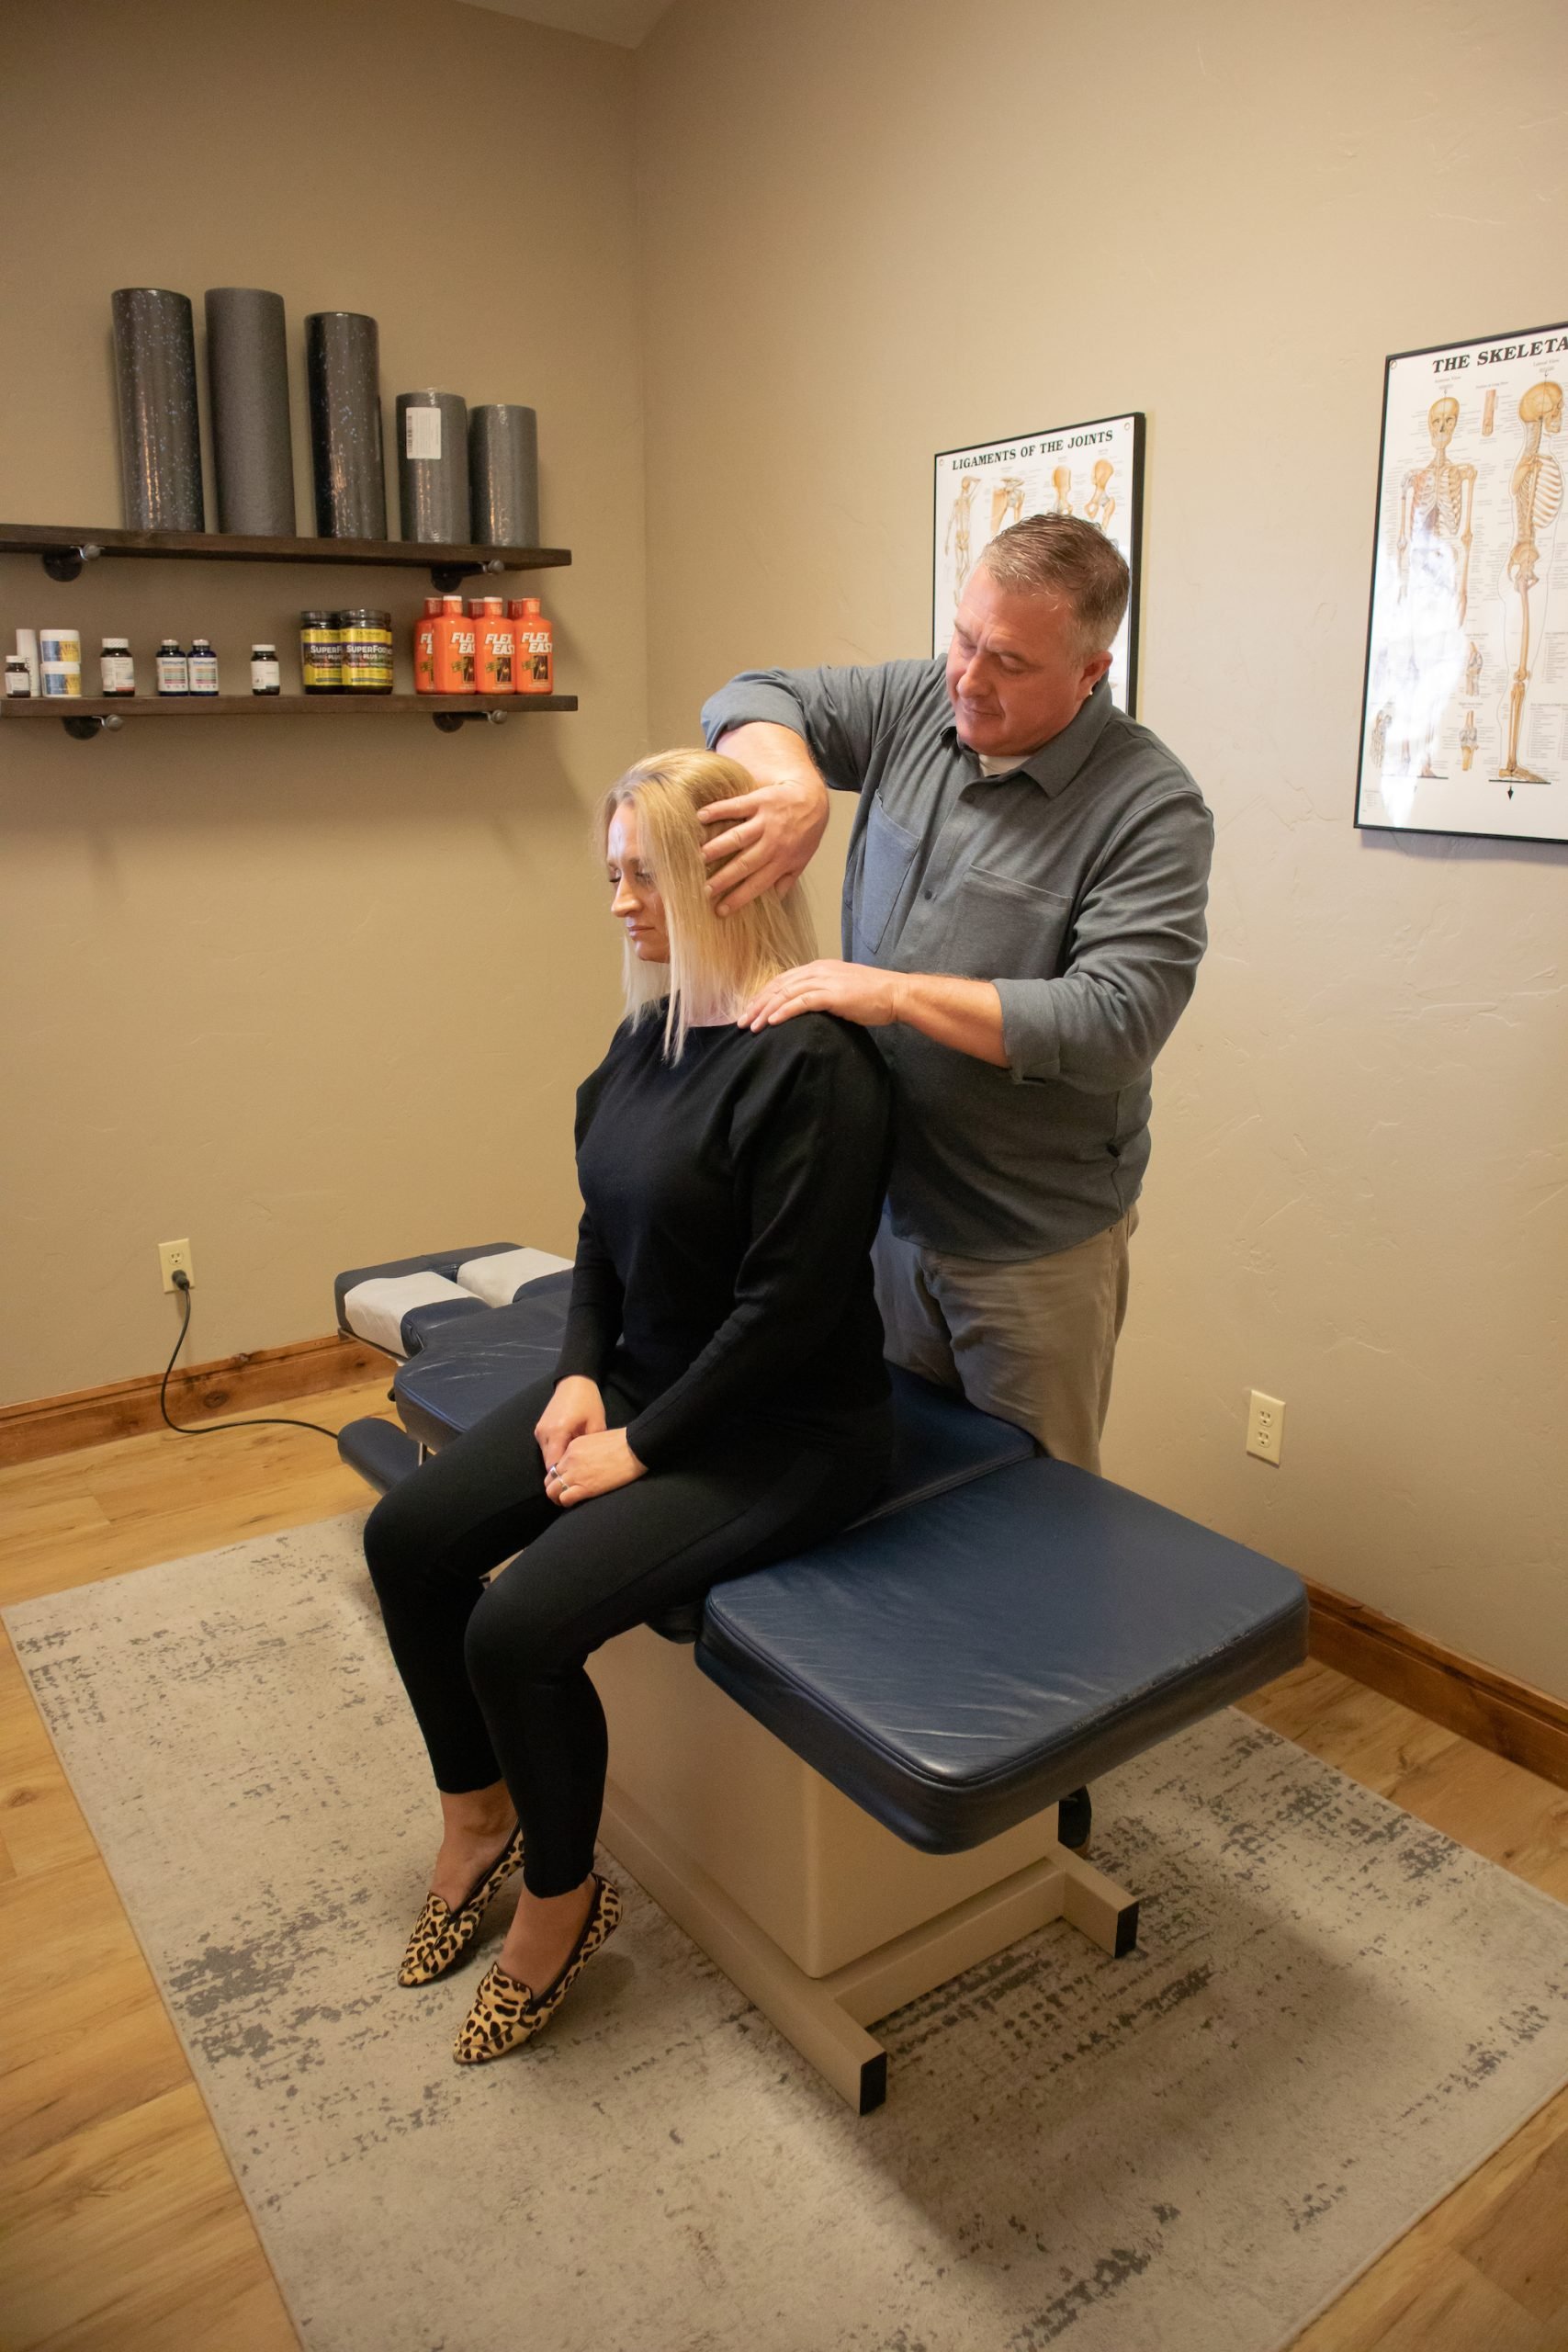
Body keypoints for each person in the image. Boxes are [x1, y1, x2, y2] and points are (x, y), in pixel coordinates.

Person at [364, 749, 895, 2066]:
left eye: (641, 874)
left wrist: (640, 1448)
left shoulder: (813, 1065)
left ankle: (561, 1896)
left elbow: (781, 1320)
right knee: (408, 1542)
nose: (617, 903)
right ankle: (475, 1815)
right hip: (648, 1387)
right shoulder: (649, 1033)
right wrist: (586, 1375)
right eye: (608, 874)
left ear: (724, 875)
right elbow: (600, 1232)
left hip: (784, 1431)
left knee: (514, 1628)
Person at [697, 511, 1213, 1483]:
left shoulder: (1150, 809)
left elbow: (1114, 1022)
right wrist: (798, 784)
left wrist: (892, 994)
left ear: (1092, 672)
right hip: (886, 1211)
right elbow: (748, 694)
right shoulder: (914, 704)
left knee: (1029, 1519)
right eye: (965, 639)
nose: (970, 680)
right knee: (891, 1478)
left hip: (1029, 1247)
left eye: (1010, 662)